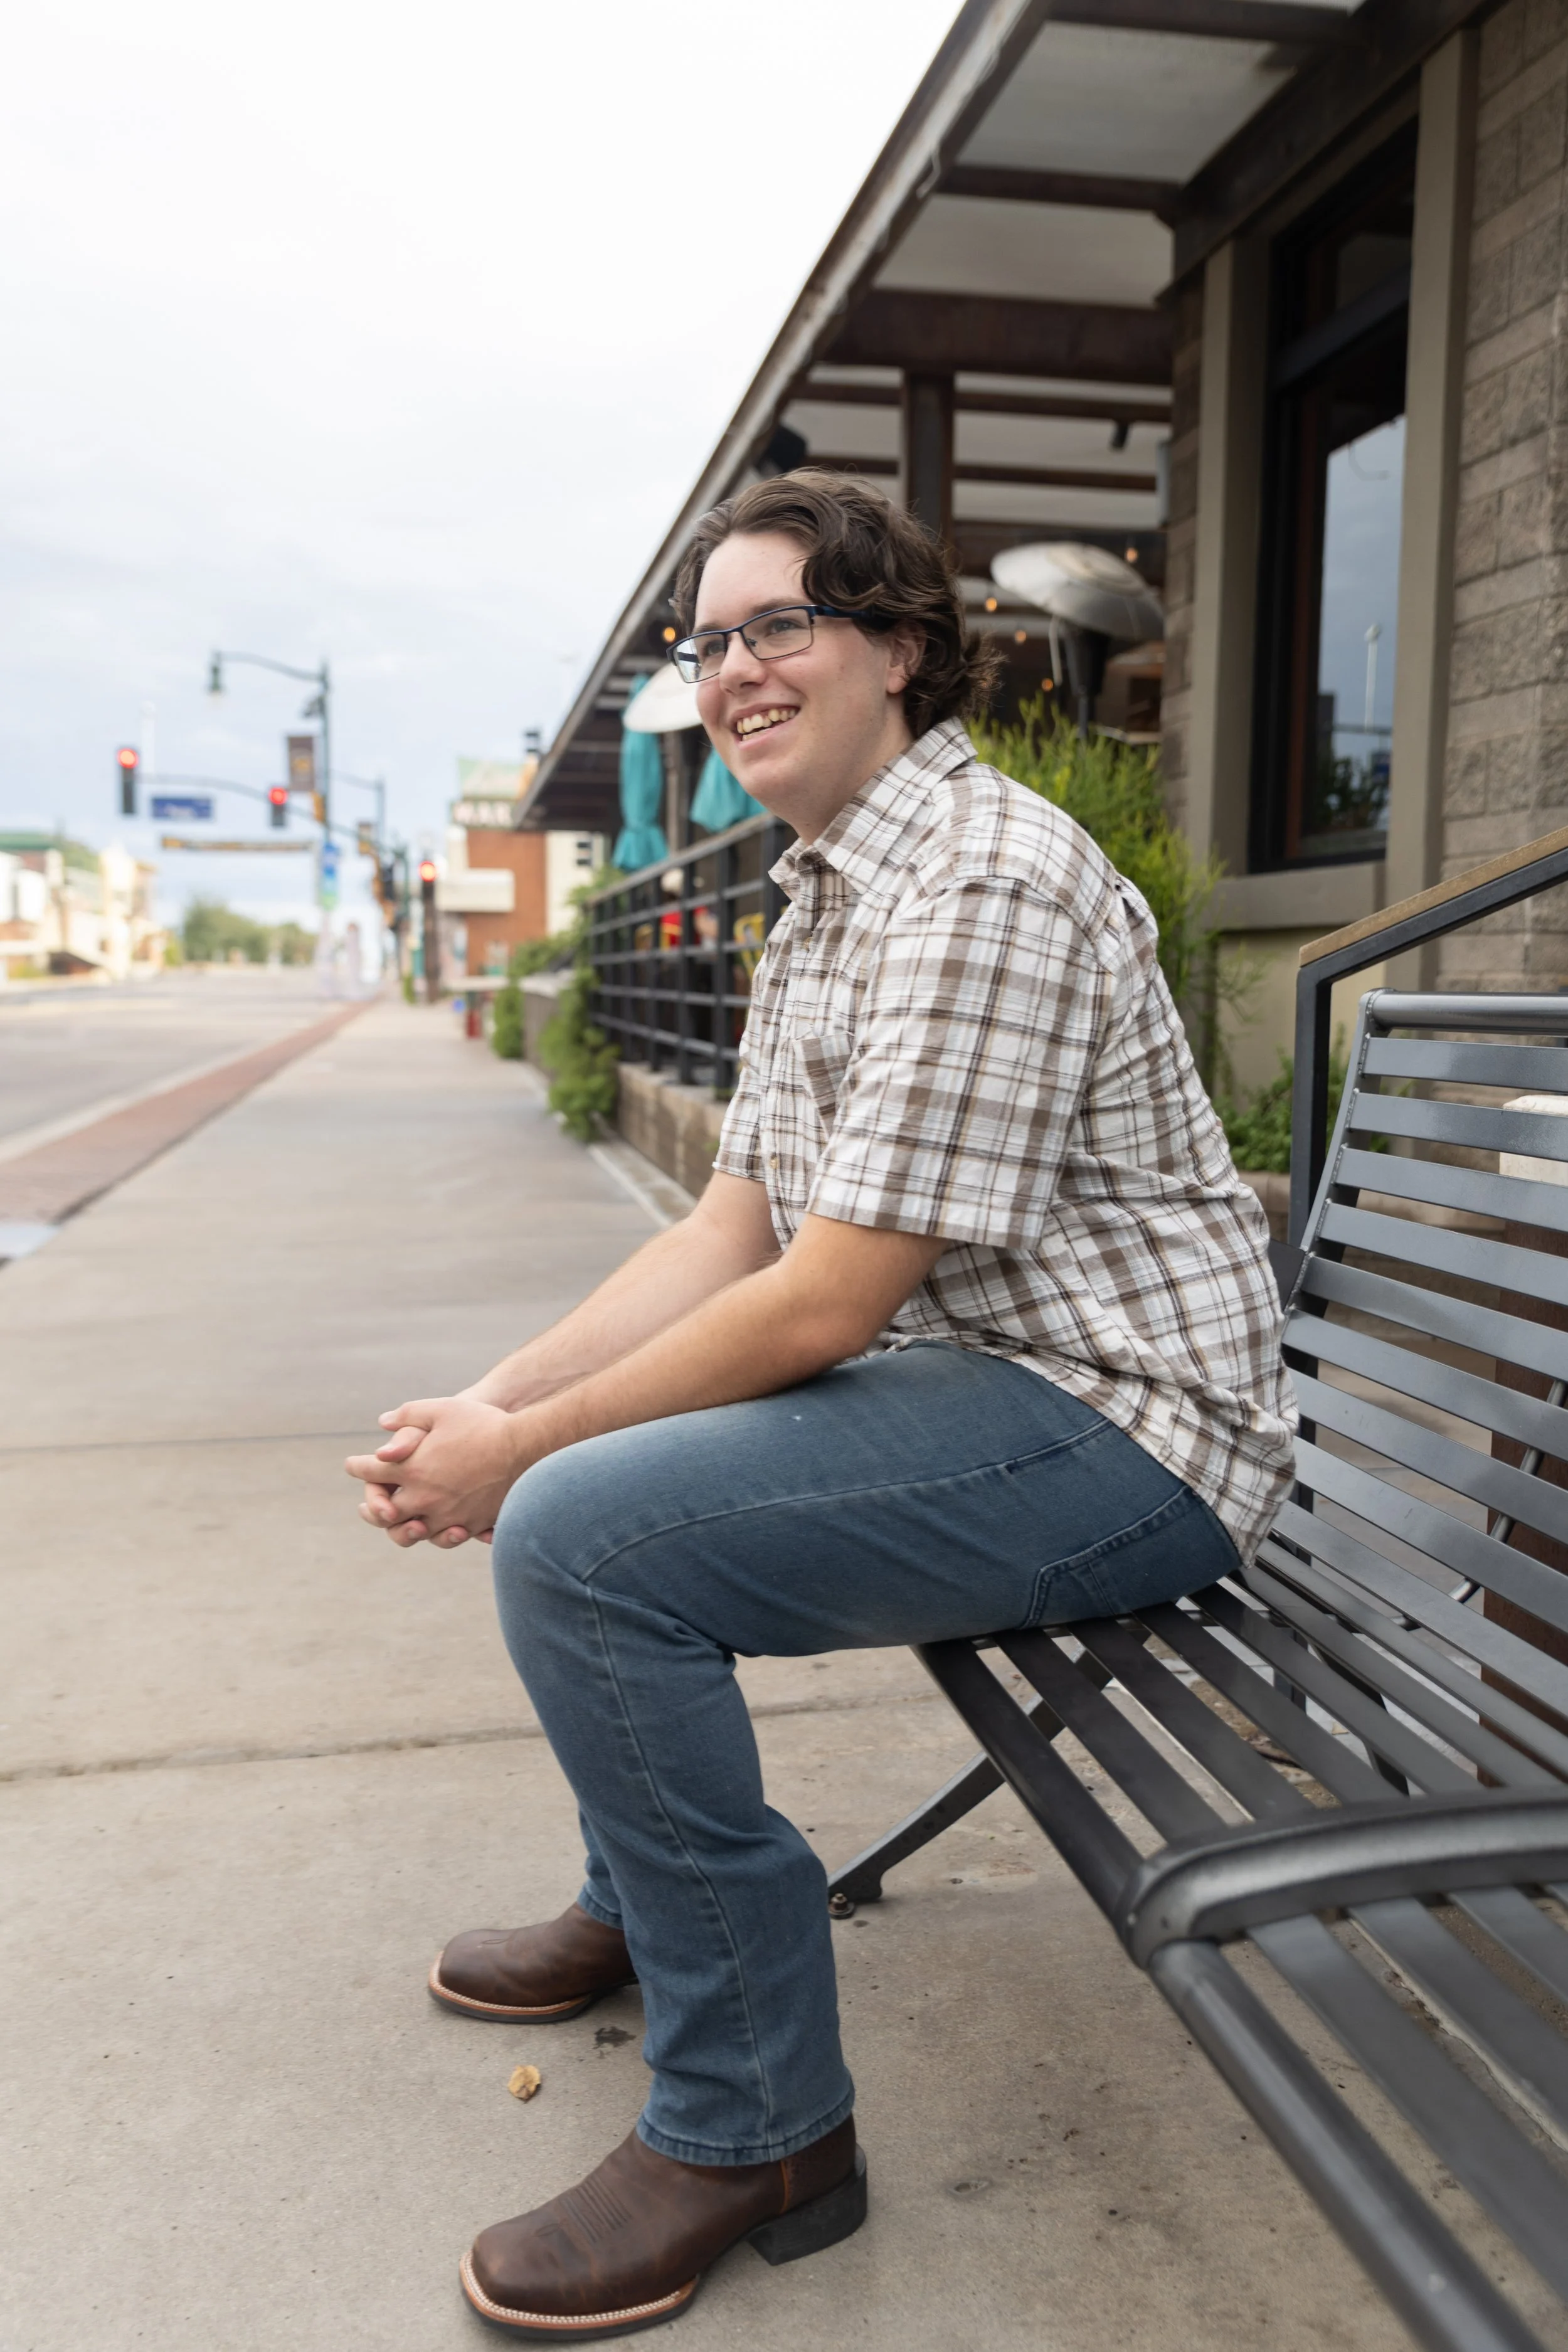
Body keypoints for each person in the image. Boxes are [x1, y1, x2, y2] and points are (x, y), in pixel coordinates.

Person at [346, 471, 1295, 2339]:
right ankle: (646, 1895)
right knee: (575, 1467)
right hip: (1001, 1380)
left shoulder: (984, 880)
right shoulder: (832, 881)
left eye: (780, 624)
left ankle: (757, 2123)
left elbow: (827, 1300)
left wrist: (518, 1460)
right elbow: (732, 1229)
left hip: (1137, 1431)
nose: (735, 671)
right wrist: (492, 1394)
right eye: (712, 642)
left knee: (585, 1535)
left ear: (897, 651)